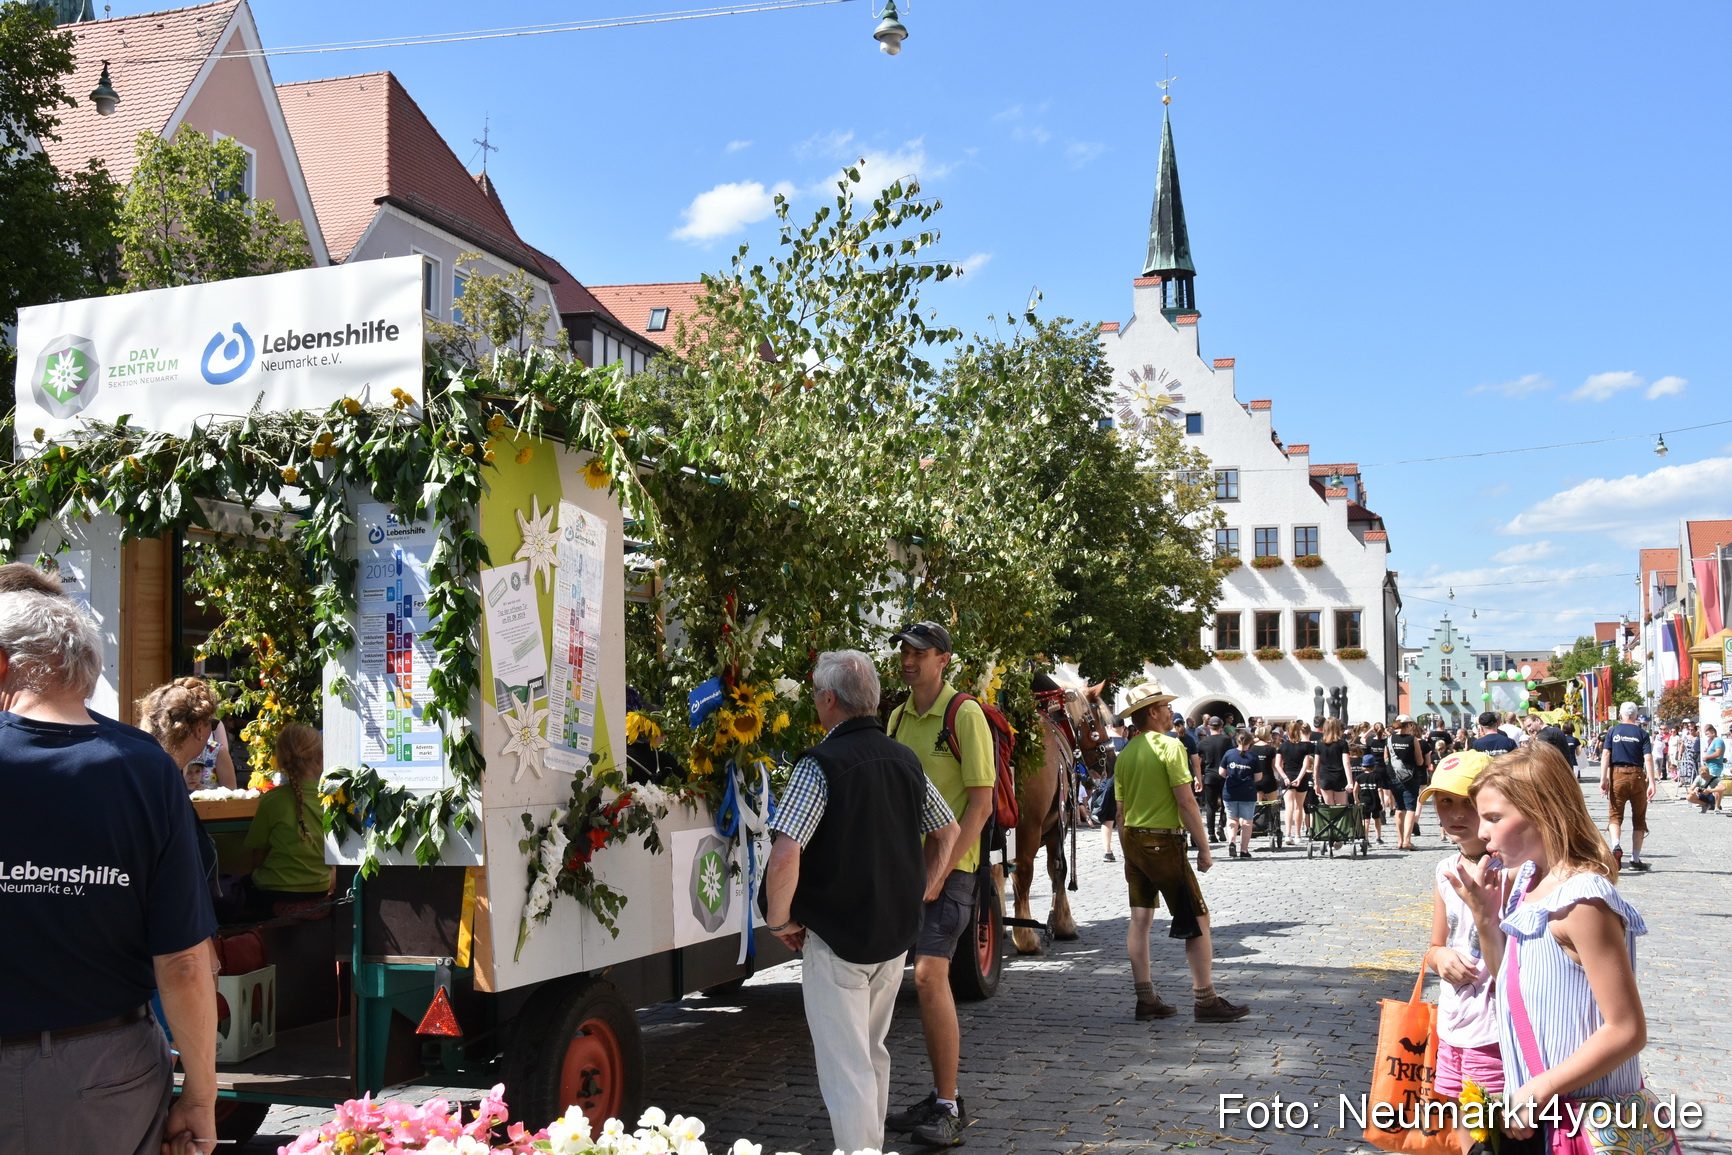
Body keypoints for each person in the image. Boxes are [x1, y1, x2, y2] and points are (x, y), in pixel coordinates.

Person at [0, 590, 218, 1154]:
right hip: (102, 1072)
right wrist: (200, 1095)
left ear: (3, 664)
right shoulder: (146, 769)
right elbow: (185, 965)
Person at [764, 651, 959, 1155]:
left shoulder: (819, 764)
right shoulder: (905, 759)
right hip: (894, 934)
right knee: (870, 1053)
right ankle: (867, 1147)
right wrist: (924, 888)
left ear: (829, 700)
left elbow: (786, 855)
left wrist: (778, 920)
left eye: (815, 696)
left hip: (838, 937)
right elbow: (949, 830)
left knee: (847, 1066)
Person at [1448, 744, 1656, 1149]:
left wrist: (1539, 1088)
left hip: (1587, 1122)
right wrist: (1486, 918)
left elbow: (1626, 1029)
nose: (1483, 831)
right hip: (1539, 1116)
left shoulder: (1581, 901)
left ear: (1542, 812)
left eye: (1493, 818)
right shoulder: (1525, 883)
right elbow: (1511, 986)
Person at [884, 622, 993, 1148]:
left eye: (919, 652)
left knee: (928, 976)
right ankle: (936, 1095)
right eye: (904, 651)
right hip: (904, 868)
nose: (908, 660)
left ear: (943, 659)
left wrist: (944, 868)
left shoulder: (964, 714)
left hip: (953, 870)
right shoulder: (898, 717)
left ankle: (948, 1106)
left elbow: (981, 803)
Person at [1114, 680, 1249, 1024]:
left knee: (1140, 919)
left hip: (1133, 837)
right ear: (1153, 712)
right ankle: (1205, 999)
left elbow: (1120, 810)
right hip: (1163, 840)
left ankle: (1146, 998)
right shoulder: (1170, 746)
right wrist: (1204, 848)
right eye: (1165, 706)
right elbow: (1186, 801)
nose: (1170, 711)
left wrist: (1125, 847)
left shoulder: (1126, 753)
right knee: (1198, 918)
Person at [1415, 750, 1502, 1154]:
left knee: (1495, 1126)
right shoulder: (1445, 868)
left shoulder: (1512, 869)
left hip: (1497, 1026)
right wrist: (1440, 958)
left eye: (1467, 801)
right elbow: (1434, 946)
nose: (1455, 813)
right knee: (1460, 1117)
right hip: (1454, 1021)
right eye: (1444, 801)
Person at [240, 724, 336, 917]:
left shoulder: (272, 800)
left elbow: (258, 856)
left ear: (281, 759)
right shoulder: (332, 799)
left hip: (274, 891)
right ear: (320, 757)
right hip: (319, 888)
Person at [1600, 702, 1656, 872]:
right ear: (1636, 716)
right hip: (1638, 775)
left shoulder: (1613, 731)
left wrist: (1603, 778)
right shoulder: (1642, 733)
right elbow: (1648, 758)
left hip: (1617, 775)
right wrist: (1652, 782)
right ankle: (1635, 858)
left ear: (1621, 715)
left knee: (1615, 816)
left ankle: (1616, 846)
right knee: (1639, 818)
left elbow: (1606, 754)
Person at [1386, 716, 1428, 851]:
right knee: (1410, 808)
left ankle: (1399, 840)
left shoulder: (1390, 739)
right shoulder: (1412, 739)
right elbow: (1420, 761)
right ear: (1409, 725)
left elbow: (1386, 758)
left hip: (1393, 776)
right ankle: (1407, 841)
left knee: (1399, 808)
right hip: (1410, 776)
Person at [1219, 731, 1259, 859]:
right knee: (1246, 822)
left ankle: (1232, 842)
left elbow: (1221, 772)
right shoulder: (1253, 756)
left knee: (1232, 818)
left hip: (1230, 792)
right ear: (1250, 742)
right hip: (1247, 792)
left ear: (1237, 741)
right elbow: (1258, 777)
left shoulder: (1229, 754)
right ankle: (1244, 850)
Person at [1195, 716, 1233, 844]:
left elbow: (1197, 761)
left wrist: (1197, 777)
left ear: (1209, 727)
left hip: (1210, 776)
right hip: (1225, 775)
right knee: (1225, 804)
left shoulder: (1202, 743)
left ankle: (1211, 834)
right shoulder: (1228, 740)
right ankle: (1221, 826)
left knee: (1210, 805)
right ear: (1221, 726)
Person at [1277, 720, 1315, 842]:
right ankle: (1298, 834)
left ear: (1287, 732)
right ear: (1299, 732)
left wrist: (1285, 777)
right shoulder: (1304, 746)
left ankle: (1288, 834)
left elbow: (1278, 765)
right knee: (1299, 807)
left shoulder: (1282, 746)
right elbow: (1305, 765)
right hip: (1301, 777)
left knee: (1289, 807)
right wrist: (1299, 778)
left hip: (1287, 776)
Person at [1315, 717, 1350, 806]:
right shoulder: (1342, 743)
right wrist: (1350, 782)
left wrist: (1316, 783)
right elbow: (1346, 763)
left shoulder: (1320, 743)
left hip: (1325, 776)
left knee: (1329, 807)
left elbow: (1316, 765)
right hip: (1339, 776)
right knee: (1340, 807)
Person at [1353, 752, 1385, 844]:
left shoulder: (1359, 777)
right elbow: (1380, 790)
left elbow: (1355, 790)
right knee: (1377, 819)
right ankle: (1378, 837)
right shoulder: (1377, 776)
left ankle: (1365, 838)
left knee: (1366, 820)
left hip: (1364, 801)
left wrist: (1356, 799)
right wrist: (1382, 801)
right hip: (1375, 801)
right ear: (1374, 766)